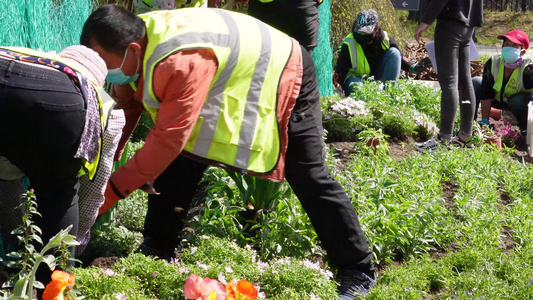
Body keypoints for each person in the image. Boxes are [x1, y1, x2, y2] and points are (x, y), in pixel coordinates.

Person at [81, 4, 376, 299]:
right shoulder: (133, 35)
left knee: (308, 172)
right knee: (181, 157)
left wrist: (104, 197)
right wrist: (107, 160)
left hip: (286, 69)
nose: (109, 74)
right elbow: (126, 106)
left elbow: (168, 139)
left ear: (132, 50)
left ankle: (357, 269)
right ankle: (158, 246)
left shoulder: (182, 60)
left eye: (108, 67)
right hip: (231, 72)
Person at [0, 45, 124, 292]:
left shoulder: (36, 57)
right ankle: (52, 289)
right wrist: (73, 248)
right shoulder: (98, 99)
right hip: (57, 100)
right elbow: (91, 193)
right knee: (60, 193)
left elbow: (4, 185)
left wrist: (18, 243)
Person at [414, 0, 483, 151]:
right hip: (468, 22)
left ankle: (444, 139)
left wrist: (426, 20)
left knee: (449, 82)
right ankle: (465, 136)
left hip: (450, 21)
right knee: (465, 82)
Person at [333, 9, 432, 97]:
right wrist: (337, 93)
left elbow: (399, 57)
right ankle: (370, 97)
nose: (362, 36)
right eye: (360, 33)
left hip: (376, 78)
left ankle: (389, 94)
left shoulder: (385, 39)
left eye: (366, 33)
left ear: (376, 29)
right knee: (357, 87)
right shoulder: (349, 43)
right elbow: (339, 74)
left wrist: (413, 68)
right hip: (356, 79)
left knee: (394, 52)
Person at [472, 29, 533, 133]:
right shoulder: (493, 63)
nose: (509, 48)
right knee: (475, 82)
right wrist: (485, 120)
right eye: (507, 44)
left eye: (514, 46)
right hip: (496, 101)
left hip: (517, 105)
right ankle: (469, 123)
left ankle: (524, 128)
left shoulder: (528, 69)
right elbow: (486, 92)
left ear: (522, 51)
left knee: (519, 101)